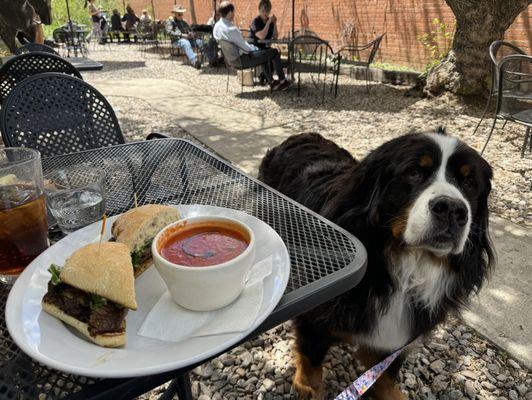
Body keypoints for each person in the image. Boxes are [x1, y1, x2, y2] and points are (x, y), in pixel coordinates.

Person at [213, 1, 290, 91]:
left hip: (231, 60)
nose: (234, 14)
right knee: (274, 52)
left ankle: (272, 82)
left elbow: (274, 36)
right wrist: (255, 49)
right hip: (242, 59)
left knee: (265, 53)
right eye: (233, 12)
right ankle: (283, 81)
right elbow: (246, 48)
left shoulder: (217, 27)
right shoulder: (232, 29)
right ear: (230, 12)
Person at [249, 0, 278, 85]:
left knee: (274, 53)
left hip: (264, 47)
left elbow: (275, 36)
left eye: (267, 11)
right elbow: (261, 36)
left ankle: (274, 79)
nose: (265, 13)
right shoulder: (255, 21)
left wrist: (275, 23)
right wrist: (268, 23)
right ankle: (271, 81)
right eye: (263, 11)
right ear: (259, 10)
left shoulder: (270, 22)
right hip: (254, 48)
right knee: (266, 56)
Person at [165, 5, 202, 69]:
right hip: (177, 41)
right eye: (179, 14)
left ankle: (212, 59)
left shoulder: (184, 22)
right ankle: (194, 61)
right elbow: (169, 32)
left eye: (182, 14)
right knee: (185, 42)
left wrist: (191, 33)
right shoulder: (170, 22)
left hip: (188, 39)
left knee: (200, 42)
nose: (181, 16)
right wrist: (181, 35)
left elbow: (190, 30)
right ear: (175, 14)